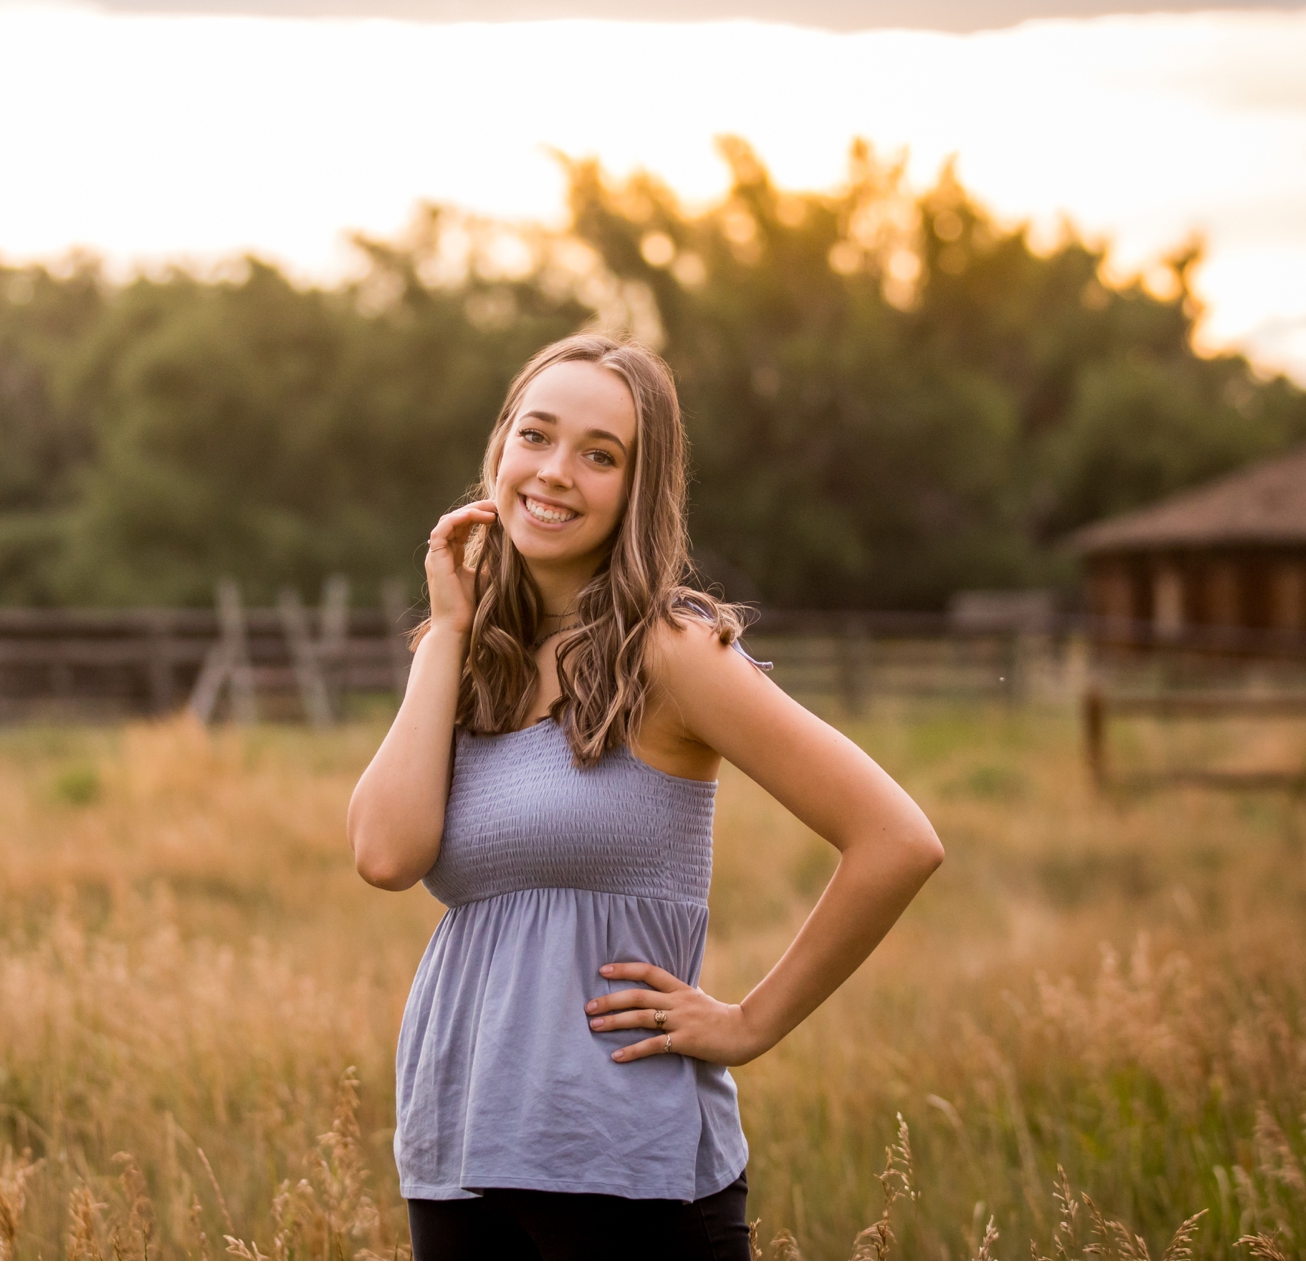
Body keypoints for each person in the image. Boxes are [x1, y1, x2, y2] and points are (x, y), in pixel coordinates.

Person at [347, 333, 945, 1260]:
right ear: (500, 447)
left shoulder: (669, 650)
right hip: (454, 1141)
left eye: (599, 454)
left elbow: (896, 838)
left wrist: (748, 1022)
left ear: (637, 487)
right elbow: (385, 854)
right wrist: (449, 631)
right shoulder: (470, 657)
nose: (554, 472)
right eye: (536, 436)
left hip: (619, 1158)